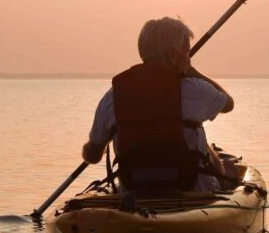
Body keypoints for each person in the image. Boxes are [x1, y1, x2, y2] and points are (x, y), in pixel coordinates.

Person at [82, 16, 234, 192]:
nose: (188, 58)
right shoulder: (195, 89)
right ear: (172, 55)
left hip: (134, 196)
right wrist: (192, 71)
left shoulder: (113, 97)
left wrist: (103, 138)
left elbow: (92, 156)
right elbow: (228, 104)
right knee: (203, 144)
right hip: (193, 195)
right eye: (187, 52)